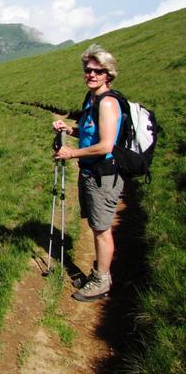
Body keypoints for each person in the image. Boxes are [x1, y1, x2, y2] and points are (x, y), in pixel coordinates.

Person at [52, 44, 124, 302]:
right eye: (88, 69)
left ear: (108, 74)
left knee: (102, 229)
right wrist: (68, 130)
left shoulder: (108, 103)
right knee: (96, 226)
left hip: (103, 174)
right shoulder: (91, 99)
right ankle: (97, 275)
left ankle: (101, 281)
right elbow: (89, 131)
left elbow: (106, 145)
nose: (91, 74)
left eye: (97, 71)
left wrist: (71, 154)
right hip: (91, 172)